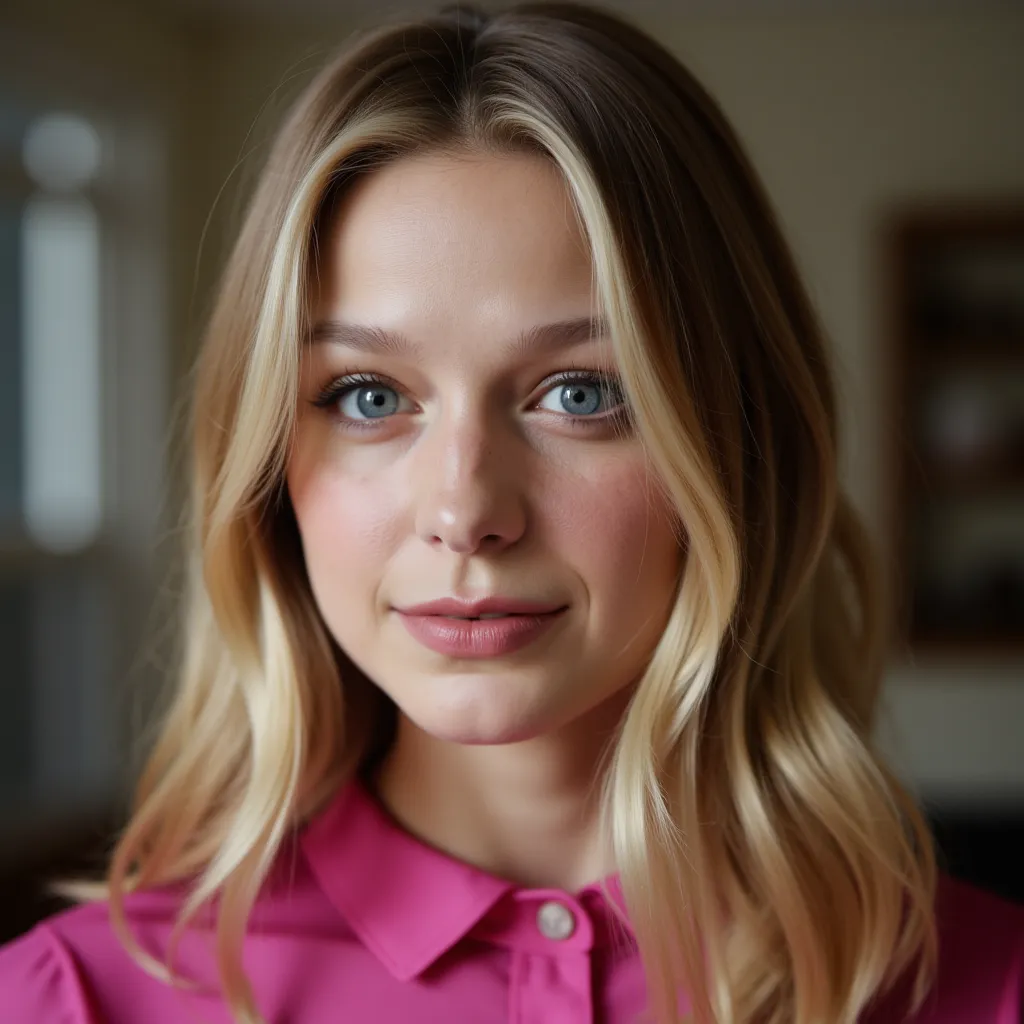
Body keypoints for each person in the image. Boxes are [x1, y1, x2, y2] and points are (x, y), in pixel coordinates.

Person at [1, 3, 1022, 1022]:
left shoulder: (984, 986)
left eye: (580, 393)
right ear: (266, 462)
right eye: (367, 395)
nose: (464, 511)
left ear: (738, 443)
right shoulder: (73, 997)